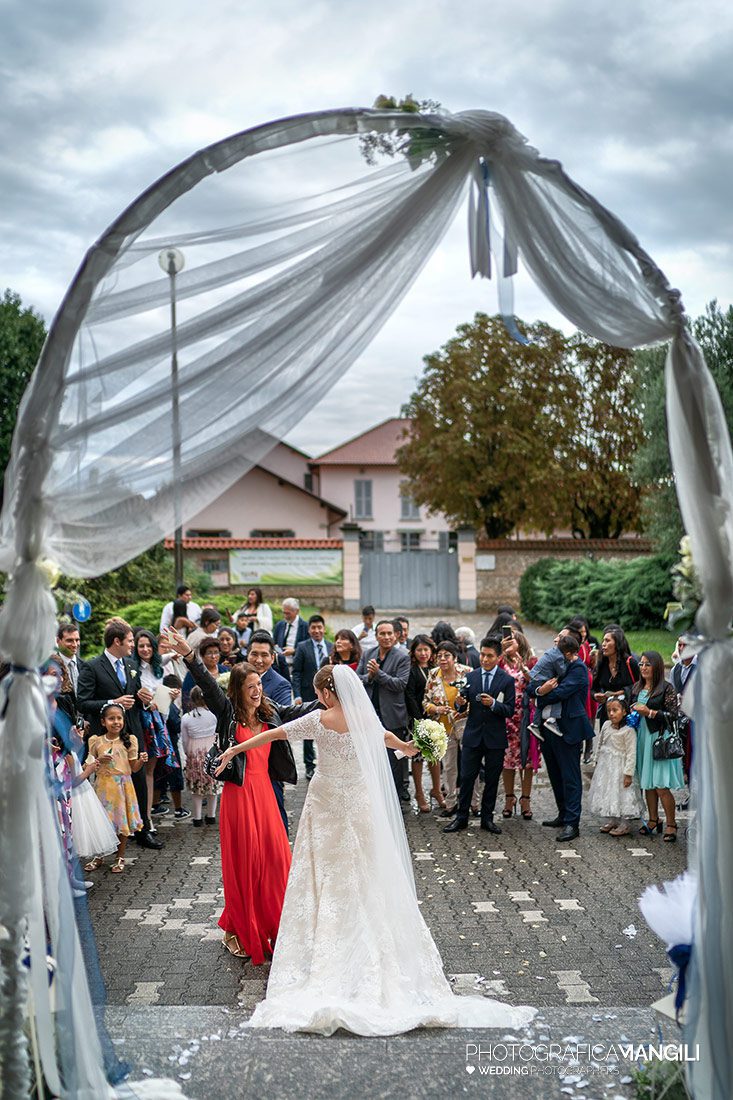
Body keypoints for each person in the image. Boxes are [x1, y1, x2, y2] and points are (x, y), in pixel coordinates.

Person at [229, 664, 535, 1036]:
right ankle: (374, 945)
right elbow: (387, 737)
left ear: (326, 692)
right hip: (358, 802)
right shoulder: (362, 717)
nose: (319, 697)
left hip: (325, 804)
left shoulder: (320, 720)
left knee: (323, 874)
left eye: (319, 692)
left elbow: (274, 734)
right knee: (367, 872)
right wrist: (409, 747)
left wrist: (234, 750)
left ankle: (329, 948)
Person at [167, 629, 315, 961]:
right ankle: (236, 927)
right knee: (246, 866)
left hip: (266, 794)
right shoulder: (227, 710)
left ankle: (276, 925)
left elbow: (298, 713)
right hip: (239, 797)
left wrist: (332, 698)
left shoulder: (269, 710)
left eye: (259, 687)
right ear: (238, 691)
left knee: (276, 861)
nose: (257, 692)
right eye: (251, 688)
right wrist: (189, 655)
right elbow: (206, 682)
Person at [77, 620, 162, 851]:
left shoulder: (130, 664)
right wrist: (112, 703)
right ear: (117, 641)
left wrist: (142, 697)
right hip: (106, 739)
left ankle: (143, 831)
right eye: (130, 641)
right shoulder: (92, 667)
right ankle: (109, 835)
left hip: (132, 731)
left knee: (139, 781)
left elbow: (131, 695)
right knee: (108, 785)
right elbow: (83, 702)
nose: (133, 645)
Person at [444, 636, 515, 835]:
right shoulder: (471, 676)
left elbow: (509, 709)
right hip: (473, 735)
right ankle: (461, 818)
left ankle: (487, 818)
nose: (484, 659)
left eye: (489, 656)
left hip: (494, 738)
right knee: (466, 778)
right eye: (482, 654)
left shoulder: (506, 680)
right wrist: (459, 702)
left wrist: (493, 704)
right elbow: (462, 705)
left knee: (492, 780)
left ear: (498, 657)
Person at [532, 634, 595, 842]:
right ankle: (562, 814)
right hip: (548, 730)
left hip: (568, 729)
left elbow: (562, 692)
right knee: (555, 775)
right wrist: (541, 689)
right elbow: (530, 687)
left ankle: (572, 823)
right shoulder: (553, 661)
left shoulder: (578, 669)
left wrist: (541, 696)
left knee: (571, 777)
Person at [84, 702, 148, 873]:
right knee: (101, 822)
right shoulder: (96, 741)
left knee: (121, 821)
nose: (116, 722)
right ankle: (99, 855)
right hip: (103, 787)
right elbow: (87, 766)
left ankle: (120, 856)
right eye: (111, 718)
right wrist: (98, 761)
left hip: (122, 787)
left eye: (119, 718)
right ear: (103, 722)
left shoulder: (130, 741)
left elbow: (134, 768)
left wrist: (141, 760)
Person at [357, 619, 411, 801]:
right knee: (371, 759)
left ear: (396, 635)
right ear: (376, 635)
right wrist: (370, 677)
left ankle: (394, 799)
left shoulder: (402, 657)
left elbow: (400, 684)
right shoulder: (368, 654)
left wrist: (379, 674)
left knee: (393, 761)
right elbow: (358, 679)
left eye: (389, 633)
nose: (386, 637)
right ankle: (374, 798)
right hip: (370, 715)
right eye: (382, 633)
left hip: (392, 716)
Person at [633, 651, 683, 842]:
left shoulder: (666, 688)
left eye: (647, 664)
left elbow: (673, 716)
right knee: (648, 785)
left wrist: (650, 712)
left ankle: (671, 824)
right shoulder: (637, 688)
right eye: (641, 664)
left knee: (661, 785)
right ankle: (654, 820)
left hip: (659, 739)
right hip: (642, 738)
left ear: (657, 667)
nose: (643, 668)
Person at [132, 630, 180, 823]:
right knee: (138, 768)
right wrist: (145, 702)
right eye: (140, 646)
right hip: (140, 720)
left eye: (148, 646)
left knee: (150, 769)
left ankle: (147, 816)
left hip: (157, 719)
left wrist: (171, 695)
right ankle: (138, 816)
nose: (145, 649)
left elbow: (168, 656)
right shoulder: (132, 667)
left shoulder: (158, 666)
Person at [423, 641, 472, 816]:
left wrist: (465, 705)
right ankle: (450, 803)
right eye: (439, 656)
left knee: (469, 765)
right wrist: (436, 709)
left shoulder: (467, 672)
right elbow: (425, 702)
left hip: (465, 725)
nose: (442, 659)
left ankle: (474, 802)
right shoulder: (433, 675)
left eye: (447, 656)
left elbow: (475, 698)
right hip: (443, 727)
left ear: (455, 658)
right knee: (449, 766)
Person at [499, 630, 540, 820]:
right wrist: (502, 652)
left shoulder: (531, 661)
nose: (509, 644)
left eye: (512, 641)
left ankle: (525, 799)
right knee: (507, 760)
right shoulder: (501, 661)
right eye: (506, 641)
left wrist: (521, 664)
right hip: (506, 717)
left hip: (525, 717)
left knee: (527, 760)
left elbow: (536, 682)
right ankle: (509, 798)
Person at [589, 696, 644, 836]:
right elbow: (600, 743)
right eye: (609, 711)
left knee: (622, 793)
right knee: (609, 791)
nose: (611, 714)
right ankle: (613, 819)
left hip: (621, 768)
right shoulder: (606, 725)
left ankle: (625, 823)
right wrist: (596, 760)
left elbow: (632, 753)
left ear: (624, 712)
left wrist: (628, 774)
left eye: (615, 710)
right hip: (607, 766)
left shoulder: (629, 731)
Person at [405, 635, 444, 812]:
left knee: (435, 755)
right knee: (418, 756)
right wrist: (418, 719)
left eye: (426, 650)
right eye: (419, 650)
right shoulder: (412, 670)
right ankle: (419, 793)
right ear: (413, 652)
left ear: (431, 651)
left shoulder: (435, 669)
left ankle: (437, 790)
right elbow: (410, 695)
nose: (423, 653)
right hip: (417, 719)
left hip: (435, 718)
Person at [292, 615, 333, 780]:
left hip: (329, 697)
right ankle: (309, 765)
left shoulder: (331, 647)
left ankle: (328, 762)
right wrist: (297, 695)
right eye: (313, 628)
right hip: (308, 695)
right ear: (309, 630)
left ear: (323, 628)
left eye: (319, 627)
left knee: (329, 729)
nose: (316, 631)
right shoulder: (302, 647)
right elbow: (296, 672)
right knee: (309, 730)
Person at [180, 686, 220, 826]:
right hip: (211, 749)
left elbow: (184, 739)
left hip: (194, 751)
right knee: (212, 785)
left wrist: (187, 752)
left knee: (196, 787)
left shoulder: (186, 718)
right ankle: (211, 815)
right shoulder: (214, 715)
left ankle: (197, 818)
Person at [592, 626, 639, 726]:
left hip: (628, 716)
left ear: (617, 644)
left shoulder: (630, 663)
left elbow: (642, 686)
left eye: (607, 641)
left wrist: (619, 692)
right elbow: (593, 688)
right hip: (608, 716)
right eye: (603, 641)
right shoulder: (601, 664)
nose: (603, 644)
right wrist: (596, 696)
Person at [526, 634, 566, 740]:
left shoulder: (552, 652)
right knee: (557, 694)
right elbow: (563, 672)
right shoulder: (558, 655)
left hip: (536, 678)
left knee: (541, 701)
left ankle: (535, 723)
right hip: (541, 680)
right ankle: (552, 720)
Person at [273, 599, 309, 668]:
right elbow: (274, 642)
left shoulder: (306, 627)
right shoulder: (279, 625)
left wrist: (294, 651)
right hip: (280, 665)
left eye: (288, 613)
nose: (285, 616)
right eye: (284, 613)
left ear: (297, 611)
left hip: (298, 666)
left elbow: (309, 649)